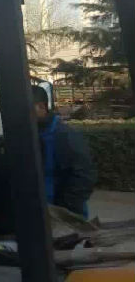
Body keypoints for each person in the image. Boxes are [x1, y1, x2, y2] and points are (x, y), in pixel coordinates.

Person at [32, 85, 95, 216]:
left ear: (42, 107)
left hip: (63, 215)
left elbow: (84, 176)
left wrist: (65, 210)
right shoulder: (30, 133)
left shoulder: (64, 135)